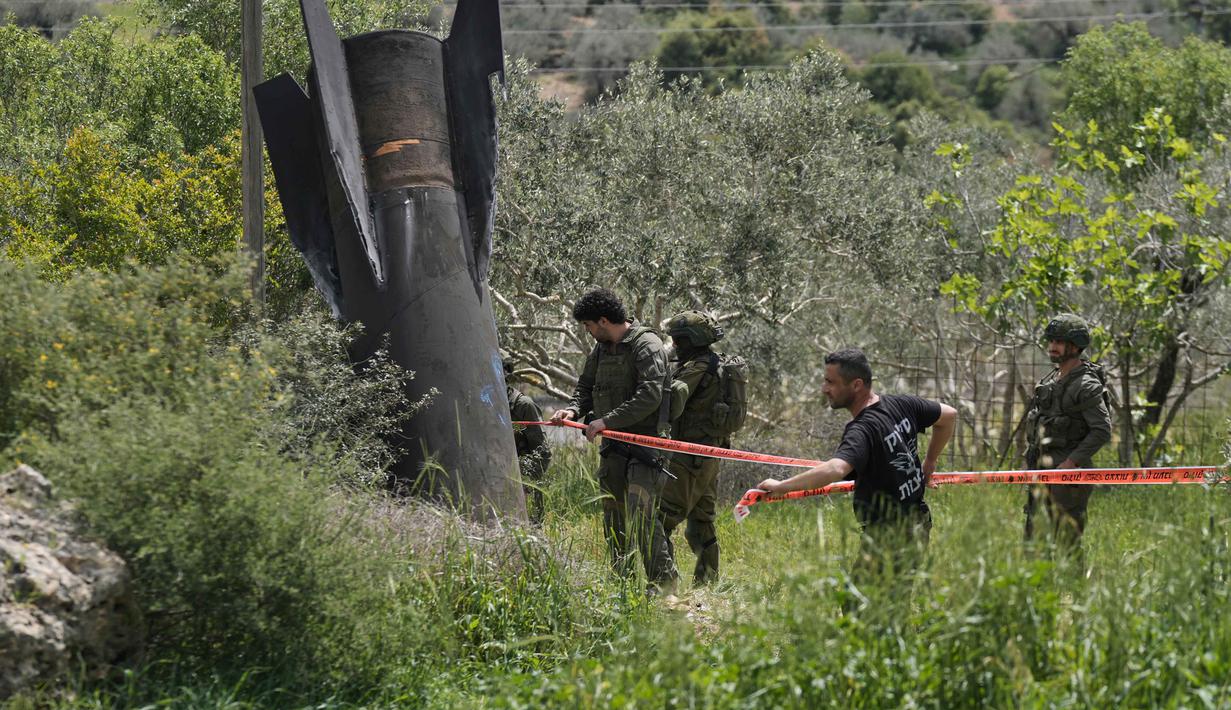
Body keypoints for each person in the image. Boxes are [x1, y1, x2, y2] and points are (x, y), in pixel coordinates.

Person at [757, 348, 957, 582]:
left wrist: (782, 486)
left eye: (831, 382)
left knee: (860, 609)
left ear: (856, 385)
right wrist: (930, 461)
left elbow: (835, 469)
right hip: (918, 523)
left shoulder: (862, 430)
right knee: (889, 605)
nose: (824, 389)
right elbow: (949, 415)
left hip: (890, 536)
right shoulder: (902, 404)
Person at [551, 288, 675, 589]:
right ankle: (623, 584)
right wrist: (572, 410)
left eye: (589, 326)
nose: (588, 332)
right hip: (614, 447)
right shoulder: (602, 350)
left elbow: (650, 395)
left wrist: (606, 420)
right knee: (613, 513)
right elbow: (585, 385)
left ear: (603, 321)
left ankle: (665, 586)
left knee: (641, 510)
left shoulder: (647, 345)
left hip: (647, 446)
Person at [1023, 313, 1112, 562]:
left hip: (1067, 475)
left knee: (1066, 545)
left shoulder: (1085, 384)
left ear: (1074, 346)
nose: (1052, 346)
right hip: (1042, 469)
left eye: (1059, 342)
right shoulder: (1053, 378)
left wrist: (1071, 463)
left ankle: (1073, 597)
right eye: (1051, 341)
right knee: (1034, 539)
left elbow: (1102, 430)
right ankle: (1036, 598)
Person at [654, 311, 728, 587]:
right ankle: (707, 584)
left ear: (689, 340)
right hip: (708, 455)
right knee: (701, 520)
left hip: (691, 457)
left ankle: (665, 585)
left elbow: (674, 401)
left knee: (660, 519)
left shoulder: (698, 367)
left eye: (677, 339)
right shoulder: (712, 363)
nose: (673, 343)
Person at [505, 356, 552, 524]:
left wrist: (526, 485)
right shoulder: (482, 403)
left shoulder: (522, 406)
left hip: (525, 488)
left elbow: (543, 453)